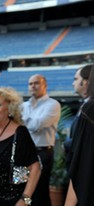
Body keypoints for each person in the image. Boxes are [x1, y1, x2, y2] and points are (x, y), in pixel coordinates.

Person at [0, 87, 41, 205]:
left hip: (13, 201)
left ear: (9, 108)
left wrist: (25, 199)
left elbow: (35, 168)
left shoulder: (20, 132)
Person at [21, 74, 61, 206]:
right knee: (22, 187)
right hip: (23, 154)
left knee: (40, 190)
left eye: (36, 83)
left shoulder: (53, 104)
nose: (33, 86)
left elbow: (36, 125)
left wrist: (22, 120)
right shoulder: (24, 105)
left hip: (42, 153)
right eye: (30, 83)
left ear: (45, 85)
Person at [65, 64, 94, 206]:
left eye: (76, 79)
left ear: (87, 82)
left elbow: (81, 157)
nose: (73, 83)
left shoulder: (88, 111)